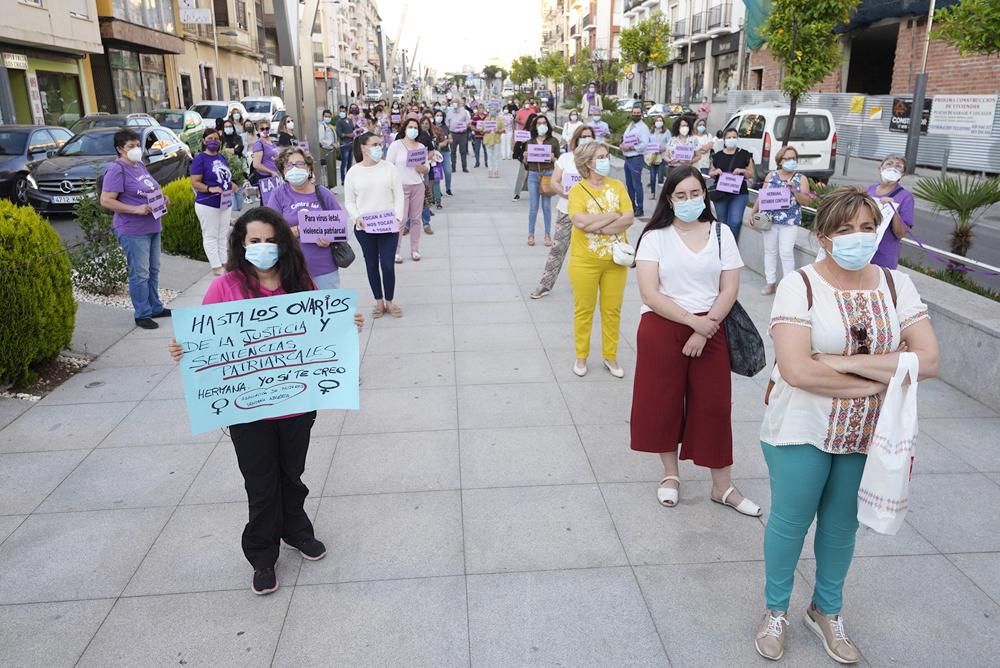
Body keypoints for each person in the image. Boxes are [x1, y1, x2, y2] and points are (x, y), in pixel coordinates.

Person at [754, 187, 939, 663]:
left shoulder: (898, 286)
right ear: (823, 236)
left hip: (867, 433)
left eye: (865, 227)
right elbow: (797, 370)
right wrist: (881, 378)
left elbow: (930, 358)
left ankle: (826, 610)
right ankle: (776, 610)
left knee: (840, 526)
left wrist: (837, 362)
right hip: (801, 426)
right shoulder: (802, 285)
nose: (858, 237)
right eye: (844, 229)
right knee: (791, 523)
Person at [166, 207, 365, 596]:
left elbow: (319, 328)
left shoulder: (299, 281)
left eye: (270, 240)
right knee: (261, 483)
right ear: (242, 244)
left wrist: (346, 324)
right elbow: (206, 340)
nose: (263, 247)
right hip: (247, 408)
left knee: (291, 474)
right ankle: (261, 555)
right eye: (254, 241)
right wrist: (183, 348)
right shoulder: (226, 287)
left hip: (296, 402)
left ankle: (296, 531)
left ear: (283, 243)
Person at [630, 165, 760, 515]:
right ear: (670, 199)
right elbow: (649, 292)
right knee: (663, 402)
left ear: (705, 194)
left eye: (695, 193)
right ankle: (670, 475)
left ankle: (722, 487)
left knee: (714, 406)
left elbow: (730, 287)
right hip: (663, 326)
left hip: (711, 327)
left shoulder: (721, 234)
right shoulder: (654, 237)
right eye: (681, 196)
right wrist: (692, 323)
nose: (689, 201)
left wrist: (707, 325)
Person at [566, 140, 633, 378]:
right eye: (601, 157)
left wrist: (600, 226)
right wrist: (612, 216)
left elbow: (628, 218)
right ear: (587, 162)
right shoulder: (577, 191)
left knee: (612, 310)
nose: (606, 161)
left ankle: (610, 356)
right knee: (584, 310)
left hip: (615, 261)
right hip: (584, 260)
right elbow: (580, 222)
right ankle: (581, 356)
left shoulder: (617, 186)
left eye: (606, 156)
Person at [99, 128, 170, 330]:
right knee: (140, 273)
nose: (136, 149)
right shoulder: (116, 170)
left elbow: (148, 190)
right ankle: (142, 314)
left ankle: (155, 306)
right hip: (132, 229)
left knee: (153, 270)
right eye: (131, 146)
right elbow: (106, 200)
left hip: (153, 224)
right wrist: (135, 209)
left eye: (138, 145)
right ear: (120, 149)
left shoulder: (139, 166)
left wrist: (162, 199)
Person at [345, 132, 406, 318]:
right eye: (375, 144)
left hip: (388, 226)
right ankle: (379, 302)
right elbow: (349, 201)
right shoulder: (353, 172)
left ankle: (390, 300)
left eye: (380, 144)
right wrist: (356, 217)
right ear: (364, 147)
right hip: (365, 229)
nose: (379, 147)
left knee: (387, 265)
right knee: (371, 264)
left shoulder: (389, 168)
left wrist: (398, 217)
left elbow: (399, 195)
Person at [530, 125, 594, 299]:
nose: (586, 139)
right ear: (576, 139)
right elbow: (554, 181)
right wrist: (566, 193)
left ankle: (583, 285)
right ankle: (545, 285)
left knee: (586, 251)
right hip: (566, 210)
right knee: (558, 249)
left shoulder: (597, 160)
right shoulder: (566, 158)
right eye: (583, 136)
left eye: (589, 136)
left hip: (590, 214)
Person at [265, 147, 342, 289]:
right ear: (283, 170)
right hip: (291, 267)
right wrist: (300, 230)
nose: (295, 168)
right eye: (289, 165)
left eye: (300, 164)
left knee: (328, 307)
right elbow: (270, 231)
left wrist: (330, 240)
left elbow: (340, 226)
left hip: (324, 267)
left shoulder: (323, 193)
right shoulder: (278, 194)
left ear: (308, 168)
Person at [751, 145, 813, 295]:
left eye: (793, 158)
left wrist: (794, 191)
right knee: (770, 251)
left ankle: (787, 285)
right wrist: (753, 212)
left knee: (786, 252)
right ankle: (770, 282)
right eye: (787, 158)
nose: (791, 161)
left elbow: (806, 201)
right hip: (770, 221)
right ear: (780, 161)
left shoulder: (800, 178)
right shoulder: (771, 176)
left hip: (789, 222)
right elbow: (762, 196)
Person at [191, 128, 236, 276]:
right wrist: (209, 188)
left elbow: (225, 177)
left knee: (222, 234)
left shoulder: (221, 158)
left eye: (216, 139)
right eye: (210, 138)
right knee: (210, 235)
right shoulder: (200, 159)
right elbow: (195, 182)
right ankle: (216, 266)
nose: (213, 141)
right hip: (207, 203)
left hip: (224, 202)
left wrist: (232, 185)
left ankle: (224, 262)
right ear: (204, 141)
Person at [386, 118, 430, 263]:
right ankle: (395, 251)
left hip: (417, 185)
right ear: (405, 128)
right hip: (401, 187)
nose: (413, 130)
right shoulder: (396, 146)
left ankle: (415, 249)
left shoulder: (421, 146)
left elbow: (427, 168)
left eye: (415, 127)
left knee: (416, 219)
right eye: (410, 127)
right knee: (401, 219)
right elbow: (388, 166)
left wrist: (422, 168)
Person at [868, 155, 915, 269]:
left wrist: (894, 211)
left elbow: (900, 233)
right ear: (880, 168)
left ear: (903, 174)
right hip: (863, 251)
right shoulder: (870, 190)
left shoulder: (906, 197)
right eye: (889, 164)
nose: (893, 168)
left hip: (884, 257)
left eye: (898, 166)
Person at [709, 128, 755, 242]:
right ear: (724, 140)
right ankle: (721, 247)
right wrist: (716, 172)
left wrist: (742, 170)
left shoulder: (744, 154)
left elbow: (751, 174)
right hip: (721, 193)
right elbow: (711, 173)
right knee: (722, 222)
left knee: (735, 221)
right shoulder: (717, 156)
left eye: (734, 137)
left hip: (739, 193)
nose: (731, 139)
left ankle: (730, 247)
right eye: (729, 137)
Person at [524, 114, 561, 247]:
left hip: (548, 175)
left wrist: (553, 159)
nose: (541, 126)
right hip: (534, 175)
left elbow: (559, 161)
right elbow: (526, 164)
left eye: (544, 123)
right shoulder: (530, 141)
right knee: (533, 207)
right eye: (539, 123)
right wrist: (525, 157)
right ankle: (531, 234)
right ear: (535, 126)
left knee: (546, 206)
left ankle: (547, 235)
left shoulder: (553, 141)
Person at [622, 103, 651, 216]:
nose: (635, 115)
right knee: (629, 184)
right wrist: (622, 145)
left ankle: (640, 208)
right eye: (634, 113)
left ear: (641, 114)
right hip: (627, 158)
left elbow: (644, 144)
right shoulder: (631, 125)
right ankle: (632, 206)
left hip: (636, 158)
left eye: (638, 113)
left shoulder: (643, 128)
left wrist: (631, 147)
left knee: (636, 184)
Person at [647, 114, 671, 198]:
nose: (659, 122)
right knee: (652, 176)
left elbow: (670, 144)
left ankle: (661, 194)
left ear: (663, 122)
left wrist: (663, 149)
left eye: (660, 120)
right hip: (653, 157)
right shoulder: (651, 132)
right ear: (654, 122)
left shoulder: (666, 132)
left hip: (662, 157)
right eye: (657, 120)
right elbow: (648, 143)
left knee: (660, 176)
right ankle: (652, 193)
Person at [446, 99, 471, 172]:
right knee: (453, 151)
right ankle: (453, 167)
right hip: (453, 133)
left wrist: (464, 126)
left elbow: (468, 121)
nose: (455, 104)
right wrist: (449, 130)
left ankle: (464, 167)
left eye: (456, 102)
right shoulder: (449, 112)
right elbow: (447, 123)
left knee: (463, 151)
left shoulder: (464, 112)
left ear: (459, 104)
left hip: (462, 134)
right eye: (454, 103)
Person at [432, 110, 454, 195]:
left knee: (448, 171)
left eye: (440, 115)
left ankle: (448, 188)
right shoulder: (432, 127)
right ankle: (438, 191)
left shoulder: (445, 127)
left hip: (445, 152)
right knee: (436, 173)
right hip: (435, 153)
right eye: (437, 115)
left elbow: (451, 138)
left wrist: (447, 141)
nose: (439, 117)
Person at [318, 108, 338, 188]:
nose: (328, 118)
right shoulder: (322, 126)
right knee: (328, 169)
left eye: (329, 116)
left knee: (332, 168)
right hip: (326, 150)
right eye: (326, 116)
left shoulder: (330, 126)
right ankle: (328, 186)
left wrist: (336, 143)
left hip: (332, 150)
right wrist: (332, 144)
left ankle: (331, 186)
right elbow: (321, 140)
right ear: (323, 117)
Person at [336, 105, 356, 183]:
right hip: (344, 144)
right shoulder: (339, 122)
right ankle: (343, 179)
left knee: (350, 162)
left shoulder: (350, 120)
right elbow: (339, 134)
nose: (342, 113)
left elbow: (353, 129)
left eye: (343, 111)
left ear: (347, 112)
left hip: (351, 144)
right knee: (344, 162)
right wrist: (349, 135)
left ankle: (349, 178)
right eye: (341, 111)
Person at [483, 109, 504, 179]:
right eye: (491, 110)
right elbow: (481, 130)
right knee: (489, 156)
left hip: (496, 140)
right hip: (488, 140)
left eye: (494, 110)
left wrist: (499, 130)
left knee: (496, 156)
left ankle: (496, 171)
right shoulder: (486, 119)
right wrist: (485, 130)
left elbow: (503, 129)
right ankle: (490, 171)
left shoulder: (499, 119)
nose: (492, 112)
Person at [471, 104, 488, 168]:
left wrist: (485, 130)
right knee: (477, 150)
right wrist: (477, 129)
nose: (481, 110)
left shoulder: (487, 117)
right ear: (478, 109)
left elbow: (489, 125)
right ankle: (477, 162)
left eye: (482, 108)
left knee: (485, 150)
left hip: (485, 135)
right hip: (477, 136)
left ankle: (486, 162)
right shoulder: (475, 117)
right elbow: (472, 126)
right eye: (480, 108)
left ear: (484, 109)